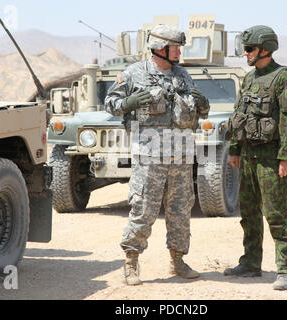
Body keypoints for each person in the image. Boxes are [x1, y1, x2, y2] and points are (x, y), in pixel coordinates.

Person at [105, 24, 210, 286]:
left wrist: (202, 104)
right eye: (175, 48)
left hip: (182, 156)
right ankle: (131, 263)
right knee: (143, 209)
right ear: (160, 48)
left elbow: (197, 111)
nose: (179, 52)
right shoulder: (133, 73)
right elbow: (111, 104)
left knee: (180, 210)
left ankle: (178, 261)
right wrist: (128, 103)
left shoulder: (183, 75)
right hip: (149, 157)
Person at [224, 25, 287, 290]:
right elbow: (239, 117)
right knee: (248, 213)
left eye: (249, 49)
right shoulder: (248, 79)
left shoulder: (284, 78)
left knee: (276, 214)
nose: (245, 54)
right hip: (247, 157)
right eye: (244, 49)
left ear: (265, 49)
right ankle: (250, 263)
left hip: (271, 159)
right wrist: (235, 149)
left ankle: (286, 270)